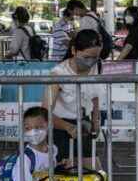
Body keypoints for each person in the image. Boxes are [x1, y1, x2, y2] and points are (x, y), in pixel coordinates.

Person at [42, 30, 102, 169]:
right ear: (74, 50)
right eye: (86, 57)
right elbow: (45, 111)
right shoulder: (58, 73)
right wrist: (68, 127)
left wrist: (95, 119)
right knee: (63, 175)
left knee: (95, 173)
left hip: (84, 125)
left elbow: (95, 95)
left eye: (95, 57)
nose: (90, 62)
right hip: (60, 128)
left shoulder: (95, 66)